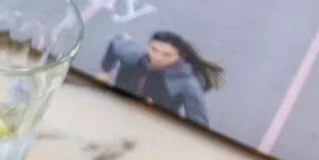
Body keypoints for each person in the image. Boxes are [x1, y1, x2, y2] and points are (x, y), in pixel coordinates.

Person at [96, 30, 225, 127]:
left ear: (179, 56)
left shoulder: (186, 83)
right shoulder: (132, 55)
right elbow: (117, 42)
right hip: (117, 108)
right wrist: (105, 71)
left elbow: (199, 122)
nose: (157, 57)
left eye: (167, 55)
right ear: (148, 46)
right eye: (154, 49)